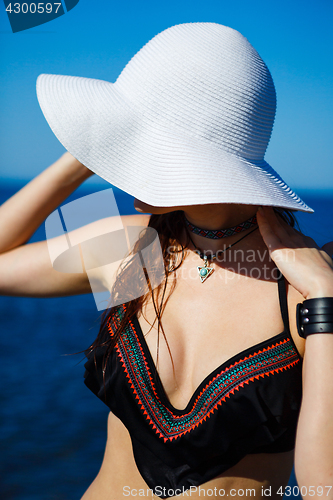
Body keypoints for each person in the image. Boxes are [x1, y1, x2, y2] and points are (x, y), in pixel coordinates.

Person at [1, 23, 333, 500]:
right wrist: (90, 147)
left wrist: (325, 301)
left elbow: (323, 485)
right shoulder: (129, 244)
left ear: (196, 158)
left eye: (140, 142)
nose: (122, 163)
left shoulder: (313, 284)